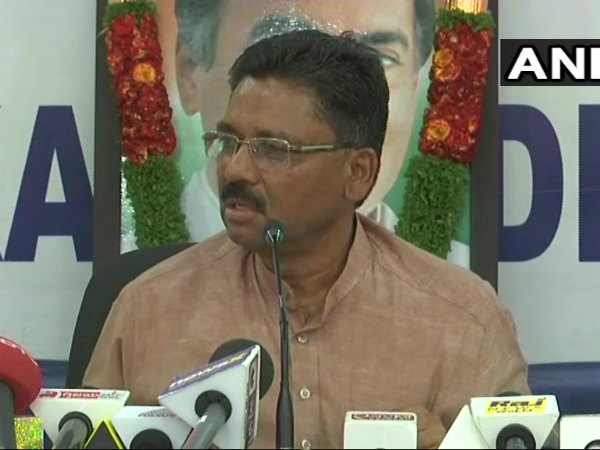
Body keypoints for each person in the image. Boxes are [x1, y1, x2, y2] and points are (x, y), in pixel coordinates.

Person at [86, 30, 529, 449]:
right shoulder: (148, 309)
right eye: (228, 141)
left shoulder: (462, 321)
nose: (235, 169)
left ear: (357, 173)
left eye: (273, 149)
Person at [149, 0, 468, 267]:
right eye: (284, 46)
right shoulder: (144, 295)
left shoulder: (456, 303)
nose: (330, 97)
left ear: (415, 86)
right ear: (191, 71)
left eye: (378, 59)